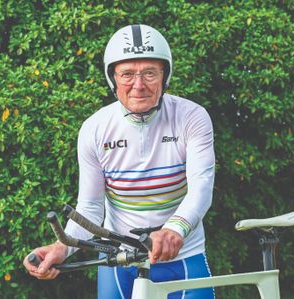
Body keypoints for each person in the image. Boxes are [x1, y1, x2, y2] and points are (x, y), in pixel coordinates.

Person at [23, 24, 215, 299]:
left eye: (149, 73)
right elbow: (90, 207)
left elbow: (201, 186)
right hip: (120, 262)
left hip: (184, 257)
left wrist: (174, 229)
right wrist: (62, 247)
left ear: (165, 75)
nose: (138, 85)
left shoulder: (192, 118)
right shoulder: (95, 128)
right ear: (112, 78)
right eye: (127, 74)